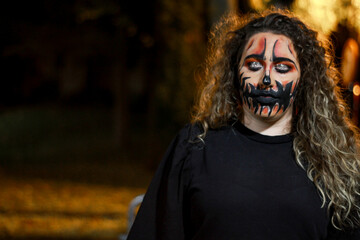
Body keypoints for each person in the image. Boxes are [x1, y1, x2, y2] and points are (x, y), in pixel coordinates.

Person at [127, 9, 360, 240]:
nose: (267, 79)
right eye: (254, 65)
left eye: (282, 67)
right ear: (235, 74)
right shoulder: (194, 148)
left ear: (303, 80)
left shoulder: (333, 162)